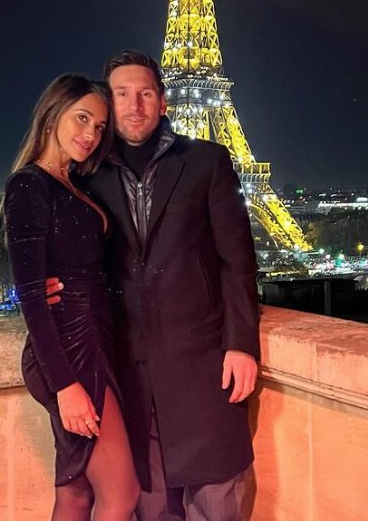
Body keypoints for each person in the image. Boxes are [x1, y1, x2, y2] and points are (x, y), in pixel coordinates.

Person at [51, 51, 260, 520]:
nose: (135, 104)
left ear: (163, 102)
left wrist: (242, 344)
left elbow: (237, 260)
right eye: (122, 94)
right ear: (110, 102)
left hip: (205, 365)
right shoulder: (87, 176)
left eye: (145, 93)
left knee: (217, 501)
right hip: (128, 373)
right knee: (151, 507)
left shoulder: (207, 161)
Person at [3, 74, 140, 521]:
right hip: (70, 351)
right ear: (51, 114)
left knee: (77, 493)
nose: (90, 134)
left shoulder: (74, 184)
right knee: (121, 495)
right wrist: (65, 385)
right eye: (82, 118)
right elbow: (31, 295)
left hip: (92, 343)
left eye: (101, 126)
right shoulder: (30, 185)